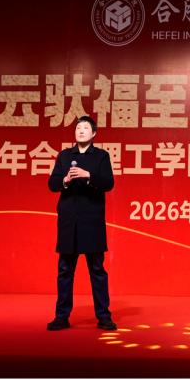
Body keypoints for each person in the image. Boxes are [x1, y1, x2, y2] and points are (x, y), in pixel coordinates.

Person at [45, 116, 116, 332]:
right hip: (69, 221)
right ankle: (61, 316)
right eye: (78, 128)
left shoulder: (101, 156)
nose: (81, 131)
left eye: (85, 128)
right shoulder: (65, 156)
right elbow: (52, 184)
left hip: (91, 221)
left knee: (97, 270)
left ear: (94, 133)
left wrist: (88, 175)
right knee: (65, 270)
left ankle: (104, 316)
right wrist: (65, 180)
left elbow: (108, 183)